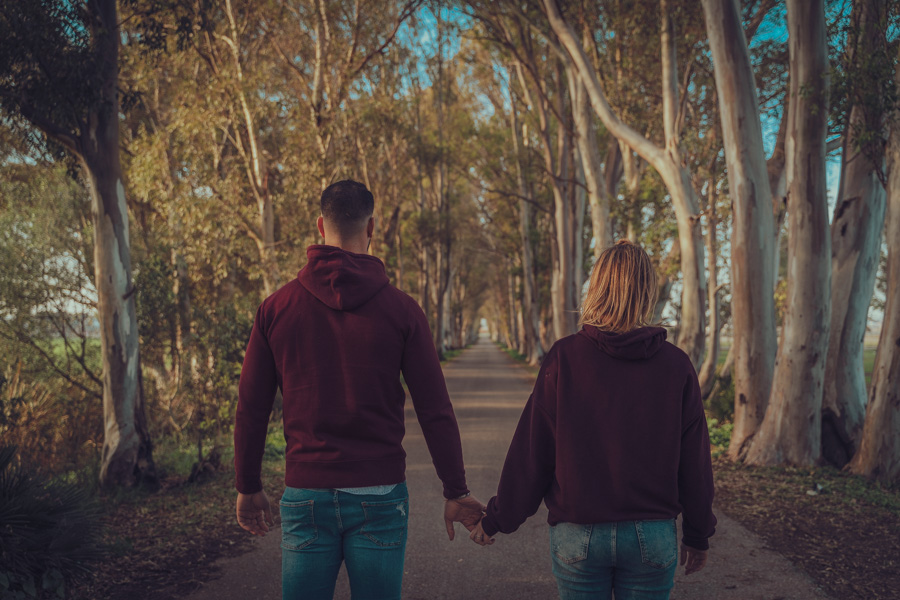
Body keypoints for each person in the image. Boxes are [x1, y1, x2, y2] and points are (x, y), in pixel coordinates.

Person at [233, 180, 484, 600]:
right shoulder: (403, 310)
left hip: (306, 493)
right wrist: (455, 489)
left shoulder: (275, 309)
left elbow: (251, 408)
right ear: (371, 228)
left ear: (320, 226)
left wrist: (248, 484)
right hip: (380, 494)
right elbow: (435, 409)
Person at [469, 240, 716, 600]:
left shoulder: (564, 358)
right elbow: (695, 463)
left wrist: (497, 519)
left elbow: (533, 453)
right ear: (648, 291)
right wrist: (697, 535)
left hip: (578, 536)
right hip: (651, 537)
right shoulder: (676, 365)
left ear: (596, 288)